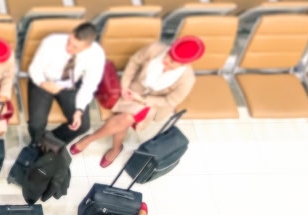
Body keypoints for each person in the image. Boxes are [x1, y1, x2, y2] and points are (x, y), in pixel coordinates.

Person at [69, 36, 202, 167]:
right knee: (124, 120)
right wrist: (125, 85)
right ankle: (116, 148)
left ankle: (90, 139)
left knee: (126, 117)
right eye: (167, 55)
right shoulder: (154, 50)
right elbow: (134, 62)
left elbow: (170, 101)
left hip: (152, 103)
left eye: (172, 62)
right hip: (134, 89)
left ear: (183, 64)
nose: (166, 60)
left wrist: (143, 100)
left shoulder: (186, 78)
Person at [27, 22, 104, 146]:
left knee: (82, 125)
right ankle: (36, 141)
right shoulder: (51, 42)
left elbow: (90, 84)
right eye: (69, 42)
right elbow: (34, 69)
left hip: (70, 83)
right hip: (44, 80)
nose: (69, 48)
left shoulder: (96, 54)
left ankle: (49, 143)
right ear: (71, 34)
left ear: (87, 47)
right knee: (36, 124)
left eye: (75, 47)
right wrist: (43, 84)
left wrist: (79, 110)